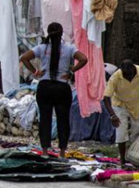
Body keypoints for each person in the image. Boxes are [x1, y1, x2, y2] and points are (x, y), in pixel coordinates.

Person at [18, 22, 88, 155]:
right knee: (63, 119)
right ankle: (62, 151)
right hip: (62, 88)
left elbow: (24, 58)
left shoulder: (41, 48)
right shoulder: (69, 48)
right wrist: (72, 71)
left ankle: (45, 151)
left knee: (45, 119)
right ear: (62, 33)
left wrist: (35, 71)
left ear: (48, 33)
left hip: (45, 87)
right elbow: (84, 59)